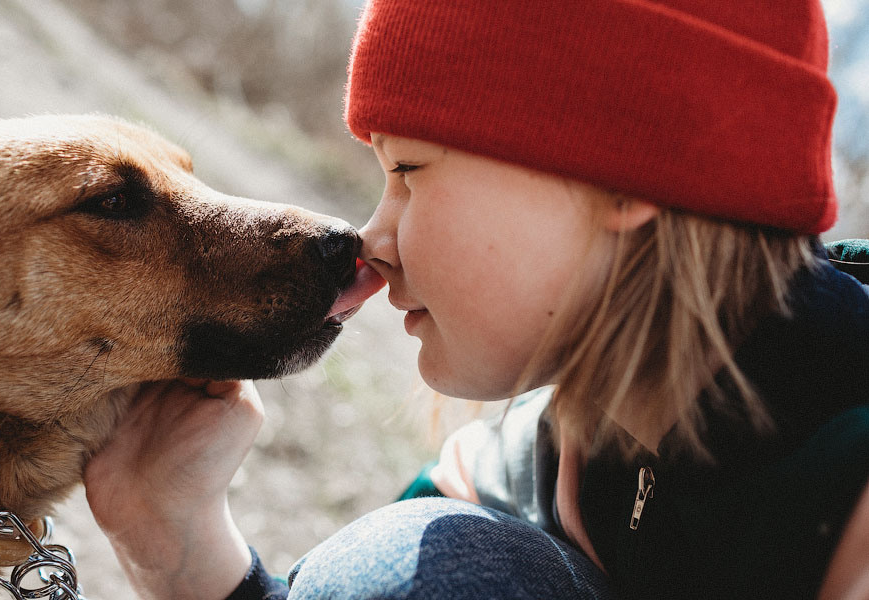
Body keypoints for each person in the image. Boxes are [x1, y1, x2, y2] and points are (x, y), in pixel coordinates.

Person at [83, 0, 869, 598]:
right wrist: (174, 533)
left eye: (411, 173)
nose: (372, 242)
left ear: (630, 180)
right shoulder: (558, 449)